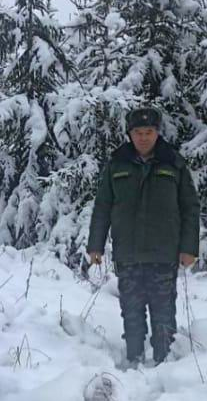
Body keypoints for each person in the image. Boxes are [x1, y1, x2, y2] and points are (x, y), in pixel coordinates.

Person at [86, 107, 200, 367]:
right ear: (130, 134)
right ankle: (134, 358)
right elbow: (103, 206)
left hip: (164, 253)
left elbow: (190, 207)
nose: (143, 138)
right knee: (132, 311)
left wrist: (189, 247)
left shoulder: (174, 163)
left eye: (149, 132)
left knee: (163, 311)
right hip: (128, 253)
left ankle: (164, 363)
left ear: (157, 133)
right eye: (138, 132)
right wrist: (96, 245)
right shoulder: (116, 164)